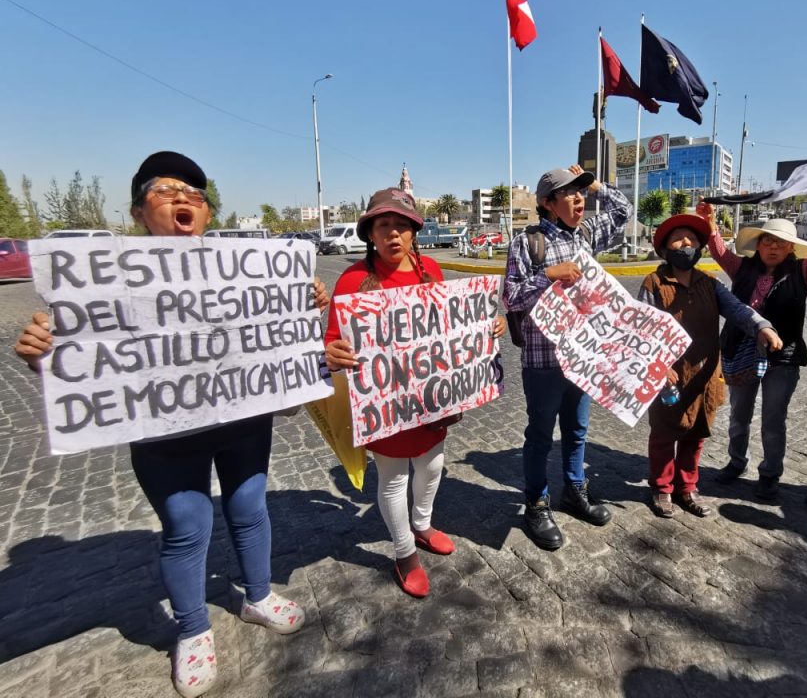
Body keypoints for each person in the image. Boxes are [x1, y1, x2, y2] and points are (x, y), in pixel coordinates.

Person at [14, 152, 323, 698]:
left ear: (206, 215)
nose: (184, 199)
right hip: (164, 435)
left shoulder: (243, 269)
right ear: (138, 212)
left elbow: (274, 338)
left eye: (196, 195)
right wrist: (47, 352)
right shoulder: (98, 282)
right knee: (186, 529)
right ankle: (193, 629)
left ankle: (256, 595)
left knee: (250, 510)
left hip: (242, 420)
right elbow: (84, 355)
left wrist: (303, 305)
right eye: (166, 190)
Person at [324, 188, 506, 597]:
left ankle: (422, 525)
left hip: (430, 400)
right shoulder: (352, 280)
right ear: (370, 232)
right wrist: (331, 350)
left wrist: (488, 328)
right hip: (385, 405)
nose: (393, 234)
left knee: (433, 464)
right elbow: (333, 340)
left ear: (414, 233)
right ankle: (405, 552)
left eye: (401, 226)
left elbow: (451, 329)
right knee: (393, 477)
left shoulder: (432, 273)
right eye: (384, 225)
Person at [700, 196, 807, 500]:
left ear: (791, 248)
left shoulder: (803, 272)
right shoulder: (740, 269)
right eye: (767, 241)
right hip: (740, 353)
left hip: (782, 358)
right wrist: (709, 221)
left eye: (780, 243)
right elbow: (717, 249)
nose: (773, 247)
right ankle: (736, 462)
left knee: (773, 418)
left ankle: (770, 474)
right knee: (738, 416)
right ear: (758, 244)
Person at [503, 164, 631, 551]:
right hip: (543, 361)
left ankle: (574, 491)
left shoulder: (588, 234)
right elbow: (510, 297)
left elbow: (623, 210)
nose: (578, 200)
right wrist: (549, 275)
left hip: (583, 358)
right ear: (547, 203)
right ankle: (536, 504)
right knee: (540, 435)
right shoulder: (528, 243)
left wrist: (595, 184)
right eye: (569, 194)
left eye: (581, 194)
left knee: (577, 431)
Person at [638, 213, 782, 517]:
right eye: (678, 238)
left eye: (691, 238)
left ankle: (687, 487)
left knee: (696, 433)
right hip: (668, 374)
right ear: (665, 248)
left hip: (705, 373)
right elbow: (643, 328)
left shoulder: (711, 283)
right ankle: (662, 488)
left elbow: (738, 310)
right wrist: (658, 363)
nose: (685, 243)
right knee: (664, 433)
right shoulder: (653, 282)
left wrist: (762, 327)